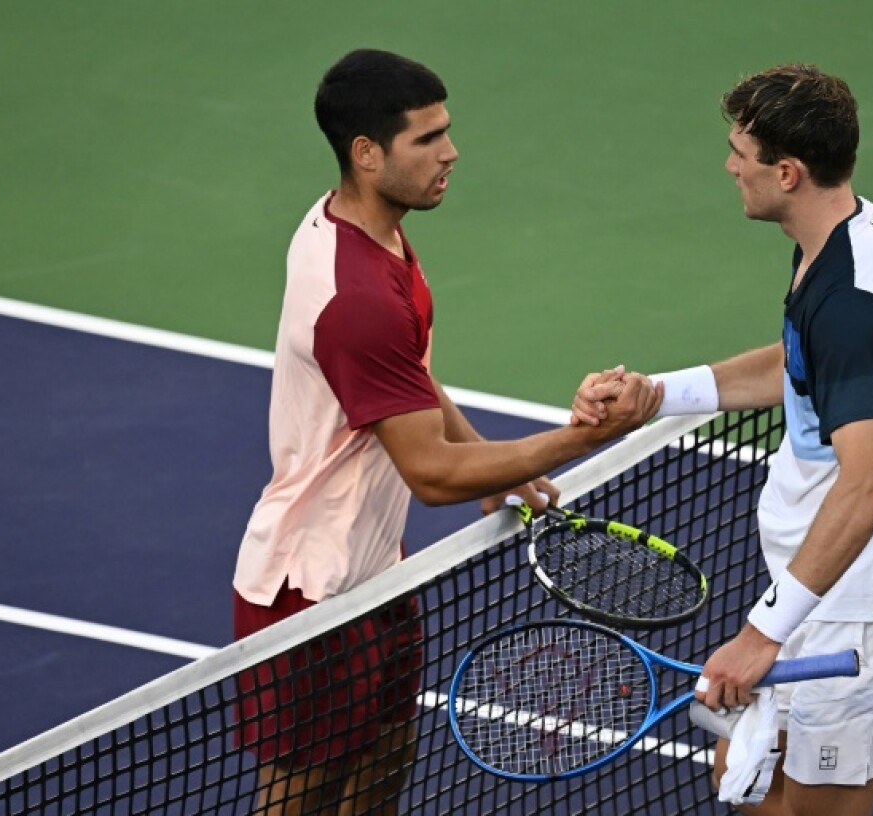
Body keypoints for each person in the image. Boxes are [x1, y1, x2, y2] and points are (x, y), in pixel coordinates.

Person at [232, 49, 662, 816]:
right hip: (311, 597)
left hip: (378, 574)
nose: (450, 153)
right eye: (427, 139)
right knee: (302, 800)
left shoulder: (367, 232)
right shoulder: (358, 297)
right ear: (367, 154)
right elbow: (430, 475)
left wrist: (491, 464)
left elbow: (408, 375)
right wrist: (579, 438)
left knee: (383, 769)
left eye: (447, 132)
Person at [573, 64, 873, 816]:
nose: (730, 166)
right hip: (822, 590)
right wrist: (659, 394)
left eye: (740, 152)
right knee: (740, 772)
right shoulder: (849, 235)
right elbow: (800, 363)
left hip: (869, 608)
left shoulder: (854, 304)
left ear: (787, 173)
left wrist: (761, 634)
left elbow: (868, 484)